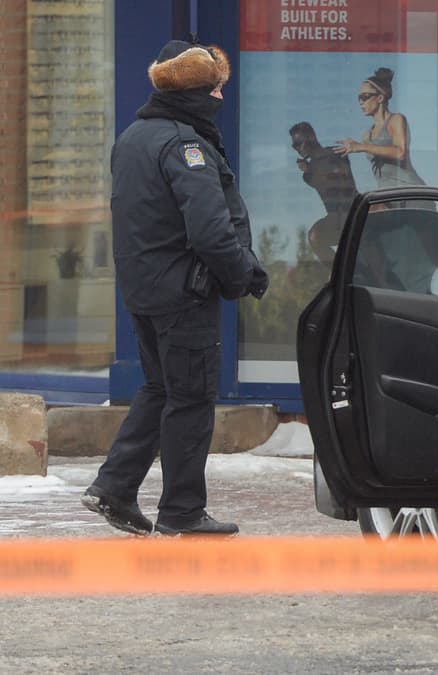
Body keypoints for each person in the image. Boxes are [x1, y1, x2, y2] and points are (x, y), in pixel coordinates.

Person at [81, 38, 269, 537]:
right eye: (214, 88)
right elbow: (209, 230)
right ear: (193, 90)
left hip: (144, 292)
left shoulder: (133, 137)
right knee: (190, 399)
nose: (221, 98)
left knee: (159, 389)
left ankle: (114, 487)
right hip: (183, 295)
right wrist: (241, 273)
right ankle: (182, 512)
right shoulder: (184, 145)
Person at [334, 67, 426, 190]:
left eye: (365, 97)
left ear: (380, 98)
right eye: (359, 98)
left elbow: (400, 152)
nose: (361, 102)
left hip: (412, 194)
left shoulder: (396, 120)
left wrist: (361, 147)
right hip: (389, 197)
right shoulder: (367, 136)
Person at [289, 121, 359, 262]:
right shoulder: (309, 172)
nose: (297, 148)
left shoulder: (335, 153)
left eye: (298, 143)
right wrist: (310, 171)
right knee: (315, 237)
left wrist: (311, 171)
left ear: (310, 139)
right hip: (336, 220)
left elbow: (338, 177)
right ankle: (337, 273)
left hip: (353, 213)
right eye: (294, 145)